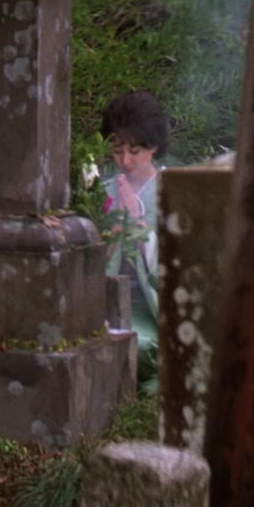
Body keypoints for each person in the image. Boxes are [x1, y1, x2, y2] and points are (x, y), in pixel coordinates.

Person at [100, 90, 169, 395]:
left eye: (135, 150)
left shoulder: (173, 193)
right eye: (118, 150)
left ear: (153, 147)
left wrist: (139, 224)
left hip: (151, 311)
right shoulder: (102, 192)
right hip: (104, 305)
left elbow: (179, 271)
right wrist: (111, 237)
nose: (125, 161)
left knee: (137, 346)